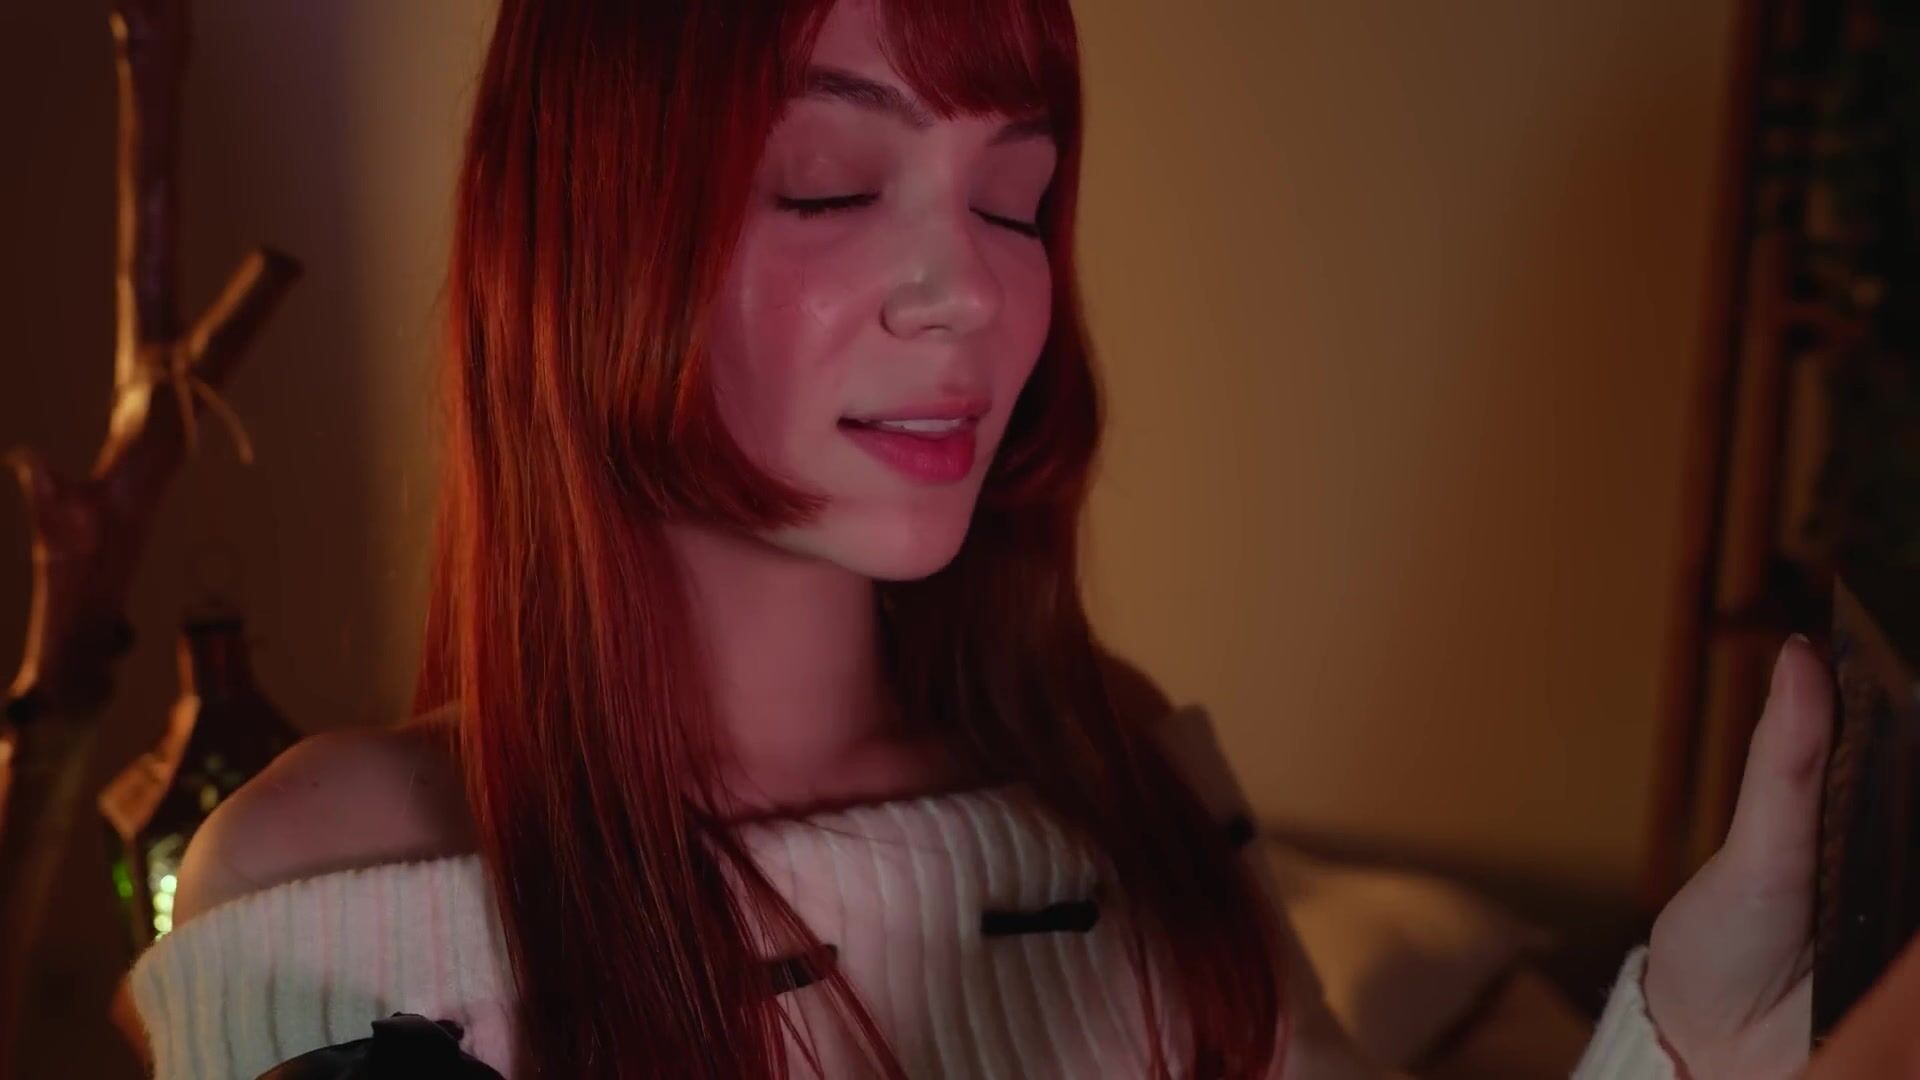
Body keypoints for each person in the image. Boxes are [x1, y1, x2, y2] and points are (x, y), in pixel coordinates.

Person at [120, 0, 1841, 1076]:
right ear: (586, 244)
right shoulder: (340, 887)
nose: (973, 295)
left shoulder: (1113, 765)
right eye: (831, 183)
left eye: (1017, 201)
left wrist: (1699, 1028)